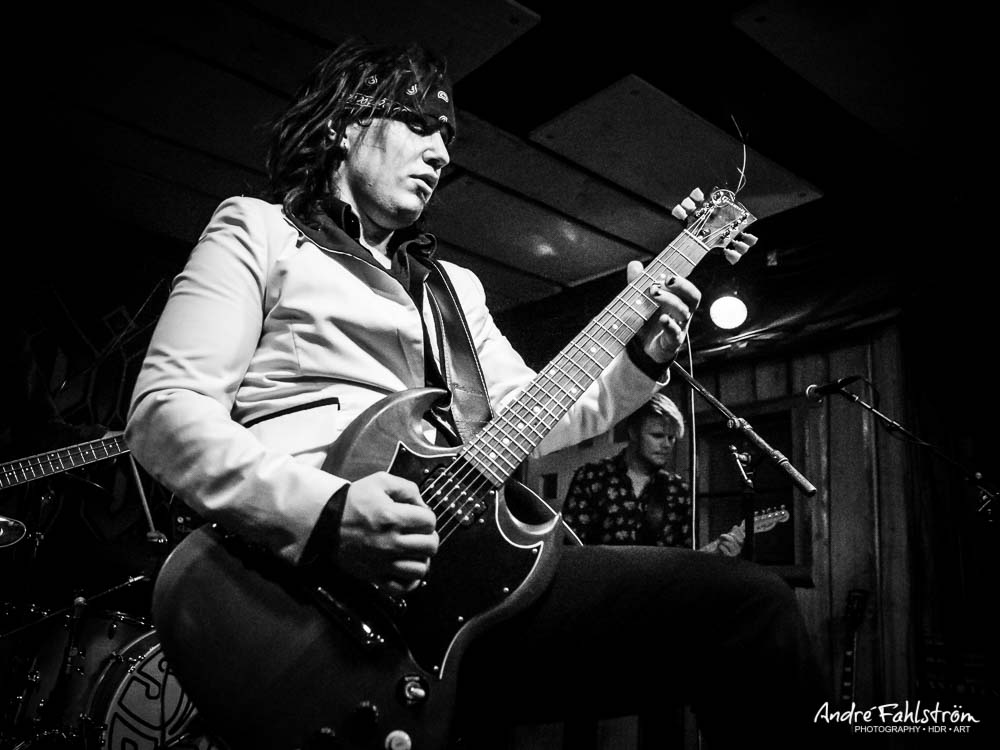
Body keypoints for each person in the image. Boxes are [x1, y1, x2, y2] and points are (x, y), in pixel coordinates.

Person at [125, 38, 829, 748]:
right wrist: (329, 512)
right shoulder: (259, 230)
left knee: (749, 613)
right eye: (419, 125)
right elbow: (165, 411)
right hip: (297, 590)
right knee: (747, 612)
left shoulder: (454, 288)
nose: (440, 154)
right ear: (343, 124)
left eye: (447, 138)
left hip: (466, 581)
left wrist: (641, 356)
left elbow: (539, 411)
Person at [562, 392, 745, 555]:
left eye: (671, 438)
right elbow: (568, 548)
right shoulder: (592, 477)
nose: (666, 444)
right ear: (633, 433)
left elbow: (683, 560)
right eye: (657, 436)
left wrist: (718, 554)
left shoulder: (678, 490)